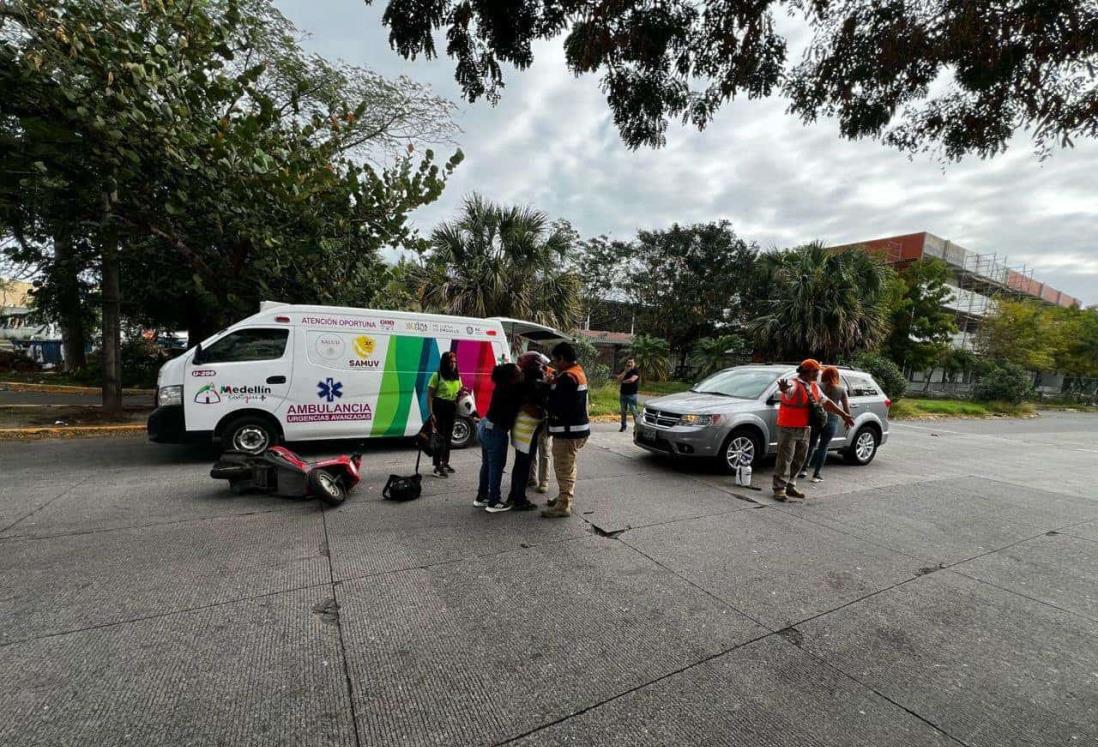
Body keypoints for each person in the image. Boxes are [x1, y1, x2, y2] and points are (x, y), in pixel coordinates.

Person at [772, 359, 854, 501]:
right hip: (788, 428)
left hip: (805, 428)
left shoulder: (814, 387)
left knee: (799, 459)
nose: (818, 374)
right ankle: (779, 489)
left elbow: (827, 403)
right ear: (807, 372)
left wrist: (844, 415)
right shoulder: (794, 384)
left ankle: (791, 486)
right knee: (785, 459)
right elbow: (787, 390)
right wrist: (784, 389)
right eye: (816, 372)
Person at [542, 342, 589, 518]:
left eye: (555, 361)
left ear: (562, 358)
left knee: (564, 468)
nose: (554, 365)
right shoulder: (575, 372)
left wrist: (546, 387)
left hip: (569, 432)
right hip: (576, 430)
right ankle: (564, 496)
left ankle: (564, 505)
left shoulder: (567, 378)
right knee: (568, 466)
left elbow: (557, 406)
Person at [475, 362, 522, 512]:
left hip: (485, 425)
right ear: (512, 376)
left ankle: (482, 497)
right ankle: (494, 502)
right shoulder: (511, 390)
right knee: (496, 466)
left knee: (487, 464)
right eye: (518, 372)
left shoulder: (501, 386)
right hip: (495, 431)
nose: (521, 374)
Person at [506, 352, 550, 511]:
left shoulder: (520, 381)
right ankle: (519, 499)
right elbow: (539, 405)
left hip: (519, 428)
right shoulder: (535, 383)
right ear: (535, 366)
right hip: (528, 428)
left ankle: (514, 494)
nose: (543, 368)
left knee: (519, 463)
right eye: (540, 365)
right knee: (524, 464)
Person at [804, 366, 849, 483]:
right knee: (823, 447)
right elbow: (846, 408)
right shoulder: (841, 389)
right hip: (832, 421)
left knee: (811, 444)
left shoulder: (817, 386)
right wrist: (847, 420)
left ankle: (803, 469)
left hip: (817, 419)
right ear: (836, 376)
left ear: (823, 375)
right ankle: (816, 475)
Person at [427, 351, 461, 478]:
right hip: (439, 406)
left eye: (454, 362)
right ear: (445, 363)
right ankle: (437, 465)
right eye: (451, 362)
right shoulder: (437, 375)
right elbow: (430, 396)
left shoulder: (456, 375)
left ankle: (445, 462)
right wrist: (431, 413)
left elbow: (458, 390)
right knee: (439, 438)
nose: (453, 364)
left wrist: (462, 393)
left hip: (451, 407)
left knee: (448, 437)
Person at [615, 358, 641, 432]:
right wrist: (625, 372)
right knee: (623, 411)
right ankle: (623, 426)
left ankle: (637, 427)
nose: (629, 364)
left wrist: (622, 381)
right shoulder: (624, 370)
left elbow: (632, 380)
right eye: (628, 362)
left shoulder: (636, 370)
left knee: (634, 411)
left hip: (632, 394)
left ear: (634, 363)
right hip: (623, 394)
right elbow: (617, 380)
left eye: (631, 362)